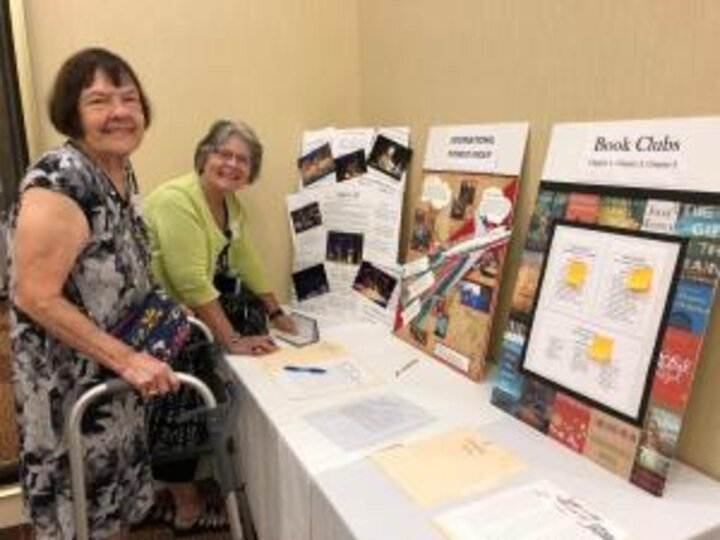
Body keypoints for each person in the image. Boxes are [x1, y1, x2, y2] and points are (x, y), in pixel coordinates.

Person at [8, 48, 179, 540]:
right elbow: (34, 295)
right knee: (80, 518)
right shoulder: (60, 177)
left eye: (129, 98)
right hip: (70, 389)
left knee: (113, 514)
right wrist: (128, 360)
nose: (120, 111)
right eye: (100, 100)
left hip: (113, 382)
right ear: (73, 112)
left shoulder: (119, 172)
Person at [144, 119, 295, 353]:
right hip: (155, 326)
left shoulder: (231, 205)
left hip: (189, 315)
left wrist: (276, 313)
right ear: (205, 157)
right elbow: (192, 282)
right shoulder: (176, 200)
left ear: (250, 173)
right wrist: (233, 341)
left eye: (243, 160)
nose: (232, 165)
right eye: (224, 154)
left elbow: (246, 260)